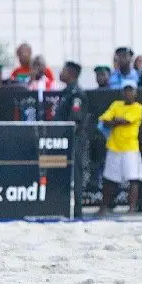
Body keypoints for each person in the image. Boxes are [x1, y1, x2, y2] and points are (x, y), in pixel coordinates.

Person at [97, 81, 142, 215]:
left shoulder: (138, 107)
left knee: (133, 179)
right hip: (114, 147)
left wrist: (114, 121)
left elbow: (126, 121)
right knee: (109, 179)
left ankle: (131, 209)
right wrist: (116, 121)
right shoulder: (116, 105)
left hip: (130, 148)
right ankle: (104, 207)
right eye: (126, 90)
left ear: (135, 92)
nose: (128, 93)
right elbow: (104, 120)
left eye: (130, 90)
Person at [57, 61, 88, 218]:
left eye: (63, 70)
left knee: (75, 174)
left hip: (74, 139)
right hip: (61, 139)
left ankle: (77, 211)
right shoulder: (66, 92)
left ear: (71, 73)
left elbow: (75, 119)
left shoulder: (76, 94)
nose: (60, 73)